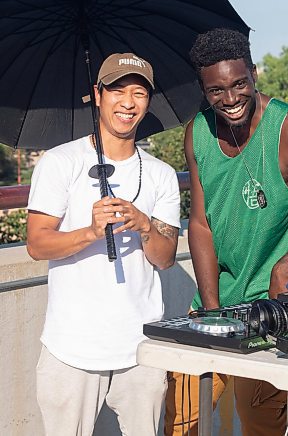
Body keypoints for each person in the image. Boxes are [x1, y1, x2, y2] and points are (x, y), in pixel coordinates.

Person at [164, 28, 288, 436]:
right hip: (216, 304)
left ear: (253, 73)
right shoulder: (198, 132)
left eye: (239, 84)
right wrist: (211, 310)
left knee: (261, 426)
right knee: (182, 422)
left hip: (271, 311)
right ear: (203, 89)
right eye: (216, 91)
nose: (230, 100)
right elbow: (200, 223)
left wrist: (286, 267)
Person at [27, 52, 181, 436]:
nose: (128, 103)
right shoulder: (60, 162)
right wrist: (92, 232)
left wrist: (145, 224)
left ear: (148, 102)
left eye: (139, 93)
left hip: (141, 346)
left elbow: (164, 259)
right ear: (98, 94)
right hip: (70, 345)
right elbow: (37, 243)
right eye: (117, 90)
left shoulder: (161, 175)